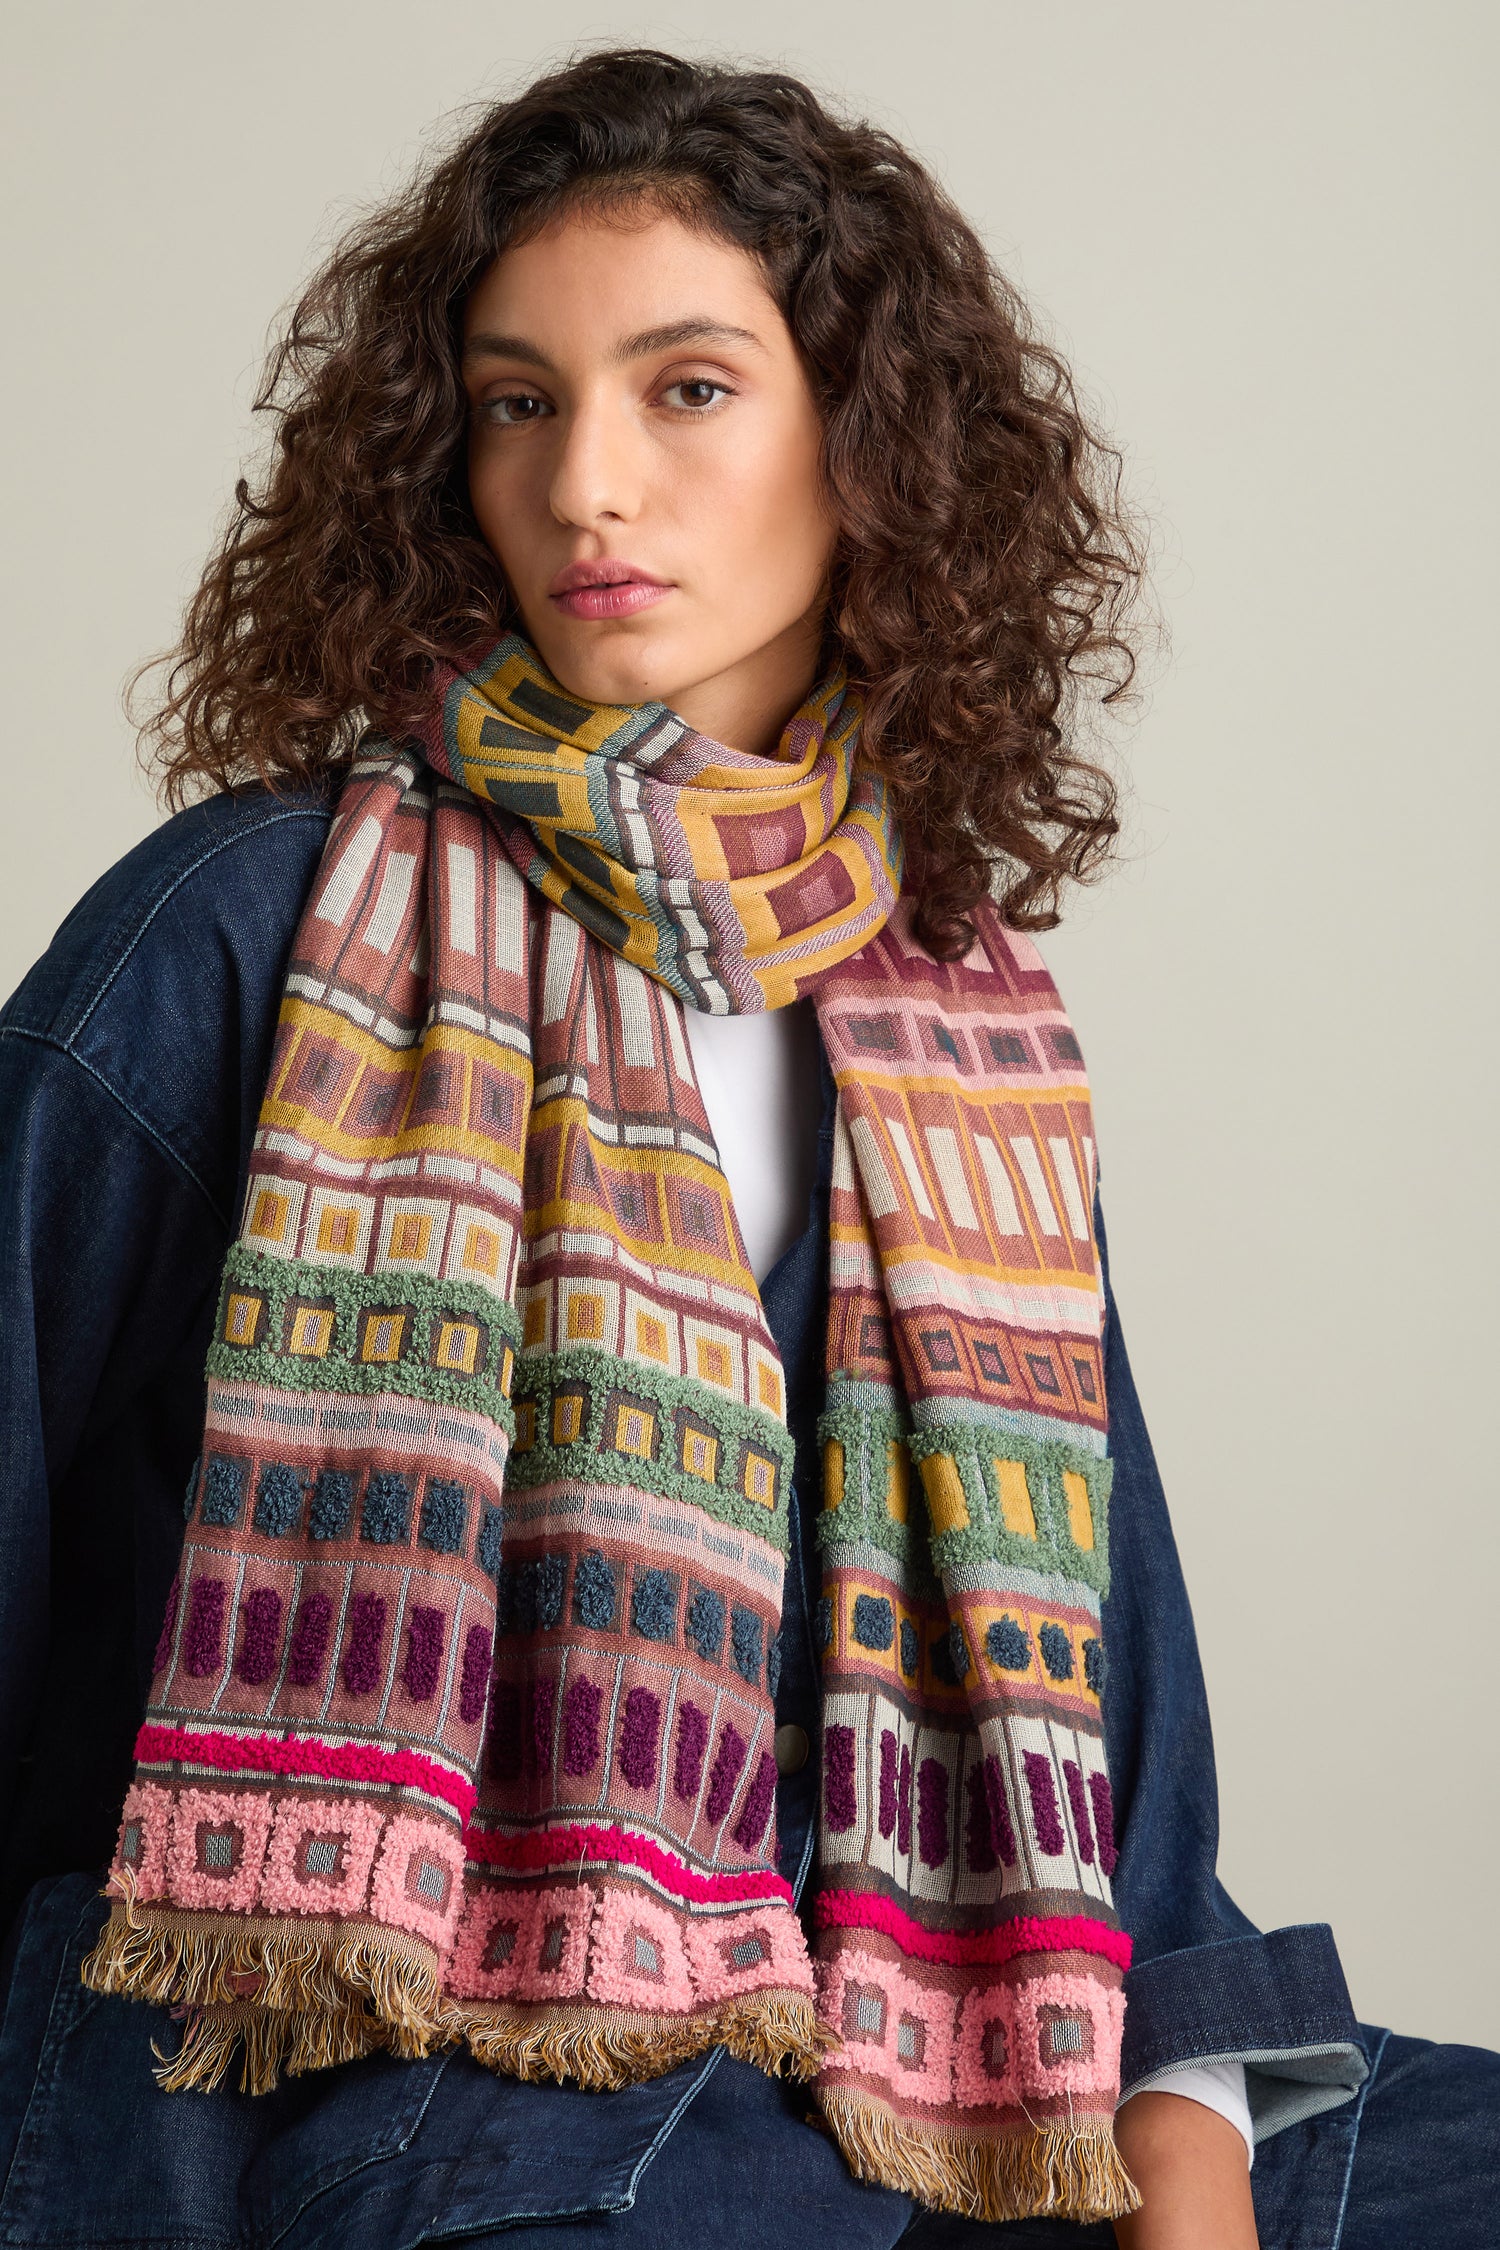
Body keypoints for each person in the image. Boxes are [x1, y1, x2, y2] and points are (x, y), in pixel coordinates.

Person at [0, 47, 1493, 2250]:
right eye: (518, 402)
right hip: (381, 2072)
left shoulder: (944, 1027)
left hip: (911, 2048)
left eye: (687, 388)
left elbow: (1112, 1712)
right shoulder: (255, 932)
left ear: (863, 453)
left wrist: (1179, 2170)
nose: (590, 480)